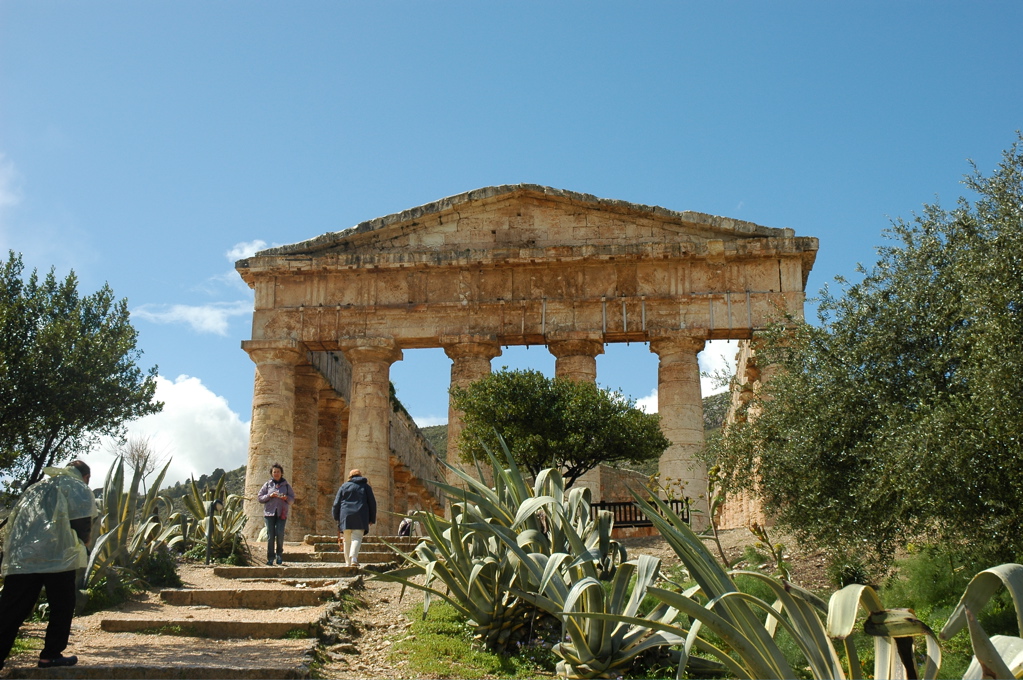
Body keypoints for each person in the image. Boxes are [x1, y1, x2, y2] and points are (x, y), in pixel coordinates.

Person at [0, 460, 96, 670]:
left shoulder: (38, 487)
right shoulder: (77, 486)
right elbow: (81, 520)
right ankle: (50, 655)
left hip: (25, 557)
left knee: (11, 608)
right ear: (85, 476)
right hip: (57, 557)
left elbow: (17, 521)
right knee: (61, 605)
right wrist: (85, 542)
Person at [332, 469, 376, 567]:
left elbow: (336, 503)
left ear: (350, 476)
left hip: (345, 516)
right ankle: (354, 559)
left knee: (346, 540)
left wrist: (336, 516)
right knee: (357, 537)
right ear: (360, 476)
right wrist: (372, 518)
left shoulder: (344, 486)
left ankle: (347, 563)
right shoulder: (366, 487)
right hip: (361, 515)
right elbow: (372, 503)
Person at [256, 462, 295, 566]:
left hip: (281, 513)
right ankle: (270, 557)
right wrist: (270, 495)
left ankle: (279, 555)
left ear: (281, 473)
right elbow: (260, 497)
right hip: (269, 513)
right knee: (270, 536)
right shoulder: (268, 485)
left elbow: (292, 500)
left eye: (278, 472)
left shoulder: (286, 486)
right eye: (274, 472)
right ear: (272, 473)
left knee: (280, 534)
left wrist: (286, 498)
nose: (276, 473)